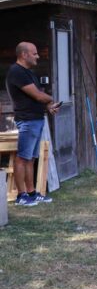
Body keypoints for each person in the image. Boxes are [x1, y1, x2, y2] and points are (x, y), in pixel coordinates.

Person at [5, 42, 59, 206]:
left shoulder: (29, 73)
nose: (38, 56)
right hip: (27, 120)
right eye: (34, 53)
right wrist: (50, 100)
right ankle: (21, 196)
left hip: (35, 119)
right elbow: (38, 96)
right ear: (24, 54)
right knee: (22, 158)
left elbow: (39, 96)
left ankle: (32, 193)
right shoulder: (16, 72)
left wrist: (47, 105)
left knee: (30, 159)